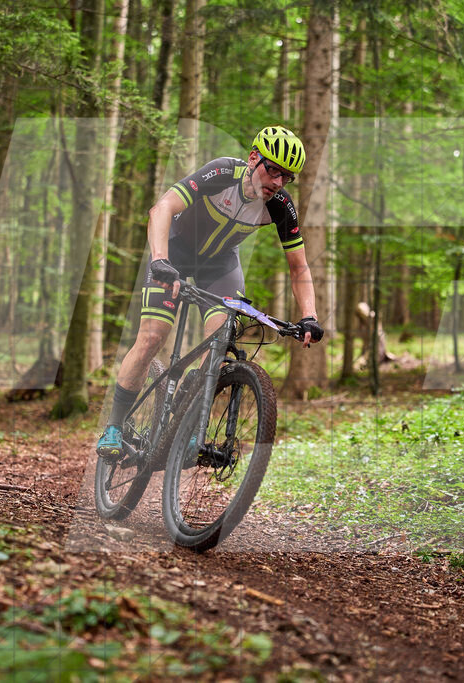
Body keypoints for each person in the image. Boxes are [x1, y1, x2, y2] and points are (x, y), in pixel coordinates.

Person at [96, 126, 325, 458]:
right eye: (272, 169)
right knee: (152, 337)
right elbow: (162, 209)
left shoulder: (280, 205)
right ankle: (114, 426)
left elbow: (299, 267)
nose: (277, 182)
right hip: (175, 252)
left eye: (286, 177)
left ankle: (190, 421)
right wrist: (160, 260)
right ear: (253, 158)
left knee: (219, 346)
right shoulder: (222, 173)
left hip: (220, 266)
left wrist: (309, 316)